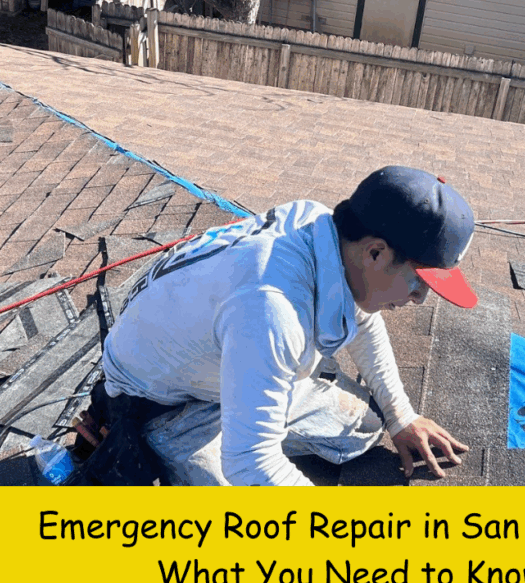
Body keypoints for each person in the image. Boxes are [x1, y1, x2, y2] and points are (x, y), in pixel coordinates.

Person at [99, 166, 477, 486]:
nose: (419, 300)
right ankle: (167, 448)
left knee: (359, 431)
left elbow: (364, 320)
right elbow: (252, 463)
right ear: (375, 252)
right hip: (159, 405)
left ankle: (253, 406)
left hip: (218, 359)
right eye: (419, 283)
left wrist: (402, 417)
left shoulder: (321, 225)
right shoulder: (271, 311)